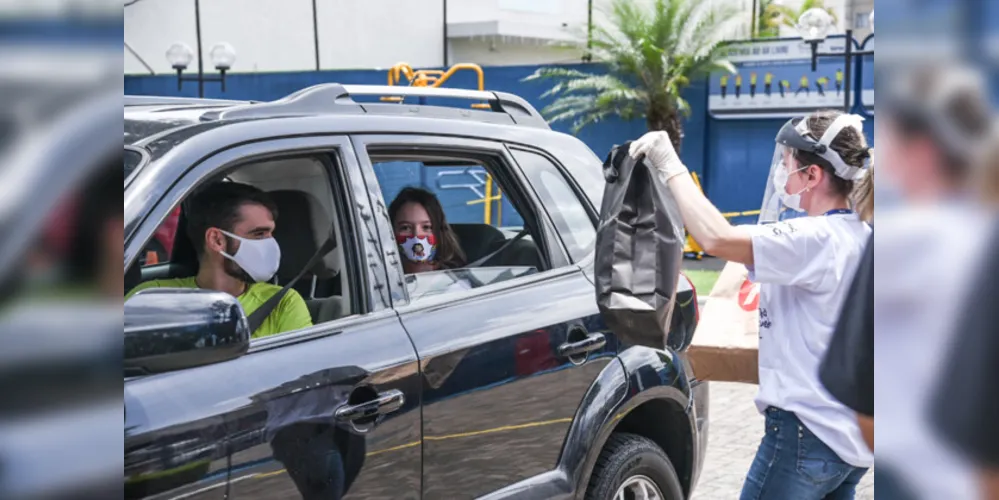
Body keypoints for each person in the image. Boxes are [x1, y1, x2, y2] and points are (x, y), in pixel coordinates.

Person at [630, 109, 874, 499]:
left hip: (805, 435)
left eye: (787, 164)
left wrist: (669, 162)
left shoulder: (813, 238)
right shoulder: (862, 235)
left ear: (813, 175)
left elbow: (715, 238)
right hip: (850, 443)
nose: (781, 172)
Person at [870, 62, 996, 500]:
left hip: (916, 476)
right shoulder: (979, 229)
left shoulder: (916, 235)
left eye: (886, 139)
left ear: (922, 150)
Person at [126, 182, 312, 338]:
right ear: (217, 240)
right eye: (259, 234)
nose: (271, 244)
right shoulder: (151, 299)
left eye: (271, 233)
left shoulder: (282, 303)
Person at [388, 186, 466, 275]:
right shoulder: (377, 277)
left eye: (426, 227)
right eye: (405, 228)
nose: (416, 236)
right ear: (391, 231)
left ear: (440, 232)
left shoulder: (457, 282)